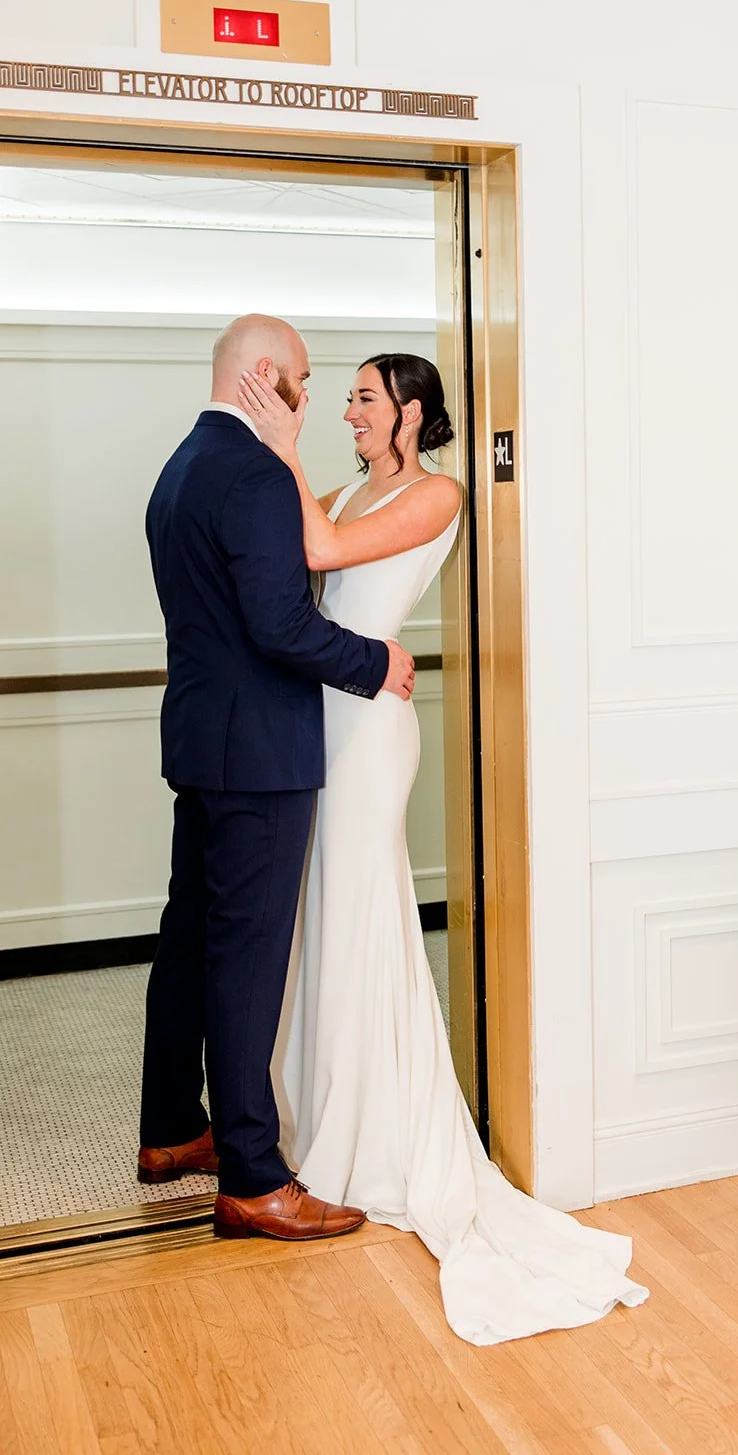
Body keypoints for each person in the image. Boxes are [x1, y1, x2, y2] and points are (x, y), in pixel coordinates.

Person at [238, 352, 649, 1345]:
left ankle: (376, 1133)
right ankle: (309, 1112)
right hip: (321, 713)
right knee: (320, 911)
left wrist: (282, 447)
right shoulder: (344, 484)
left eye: (364, 398)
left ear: (411, 412)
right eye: (347, 400)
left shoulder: (437, 491)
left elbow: (327, 553)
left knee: (365, 907)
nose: (347, 411)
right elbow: (302, 570)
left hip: (371, 731)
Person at [140, 315, 416, 1242]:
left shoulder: (181, 463)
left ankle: (174, 1128)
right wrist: (377, 664)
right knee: (247, 962)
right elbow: (279, 627)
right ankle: (254, 1175)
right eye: (303, 379)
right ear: (269, 379)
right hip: (258, 755)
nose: (314, 397)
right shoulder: (255, 471)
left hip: (201, 744)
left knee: (190, 938)